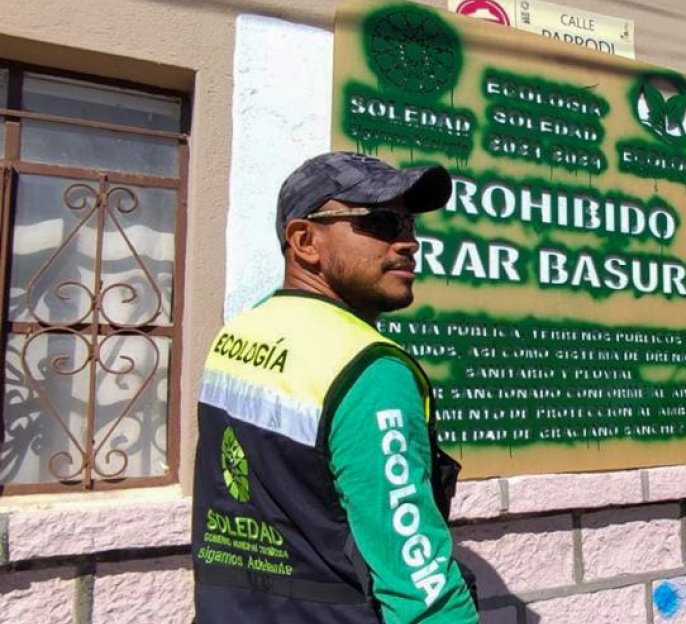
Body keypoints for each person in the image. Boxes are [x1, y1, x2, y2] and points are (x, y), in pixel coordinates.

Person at [192, 152, 478, 623]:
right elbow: (420, 584)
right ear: (305, 241)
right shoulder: (370, 370)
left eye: (409, 226)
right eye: (383, 222)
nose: (408, 243)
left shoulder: (239, 335)